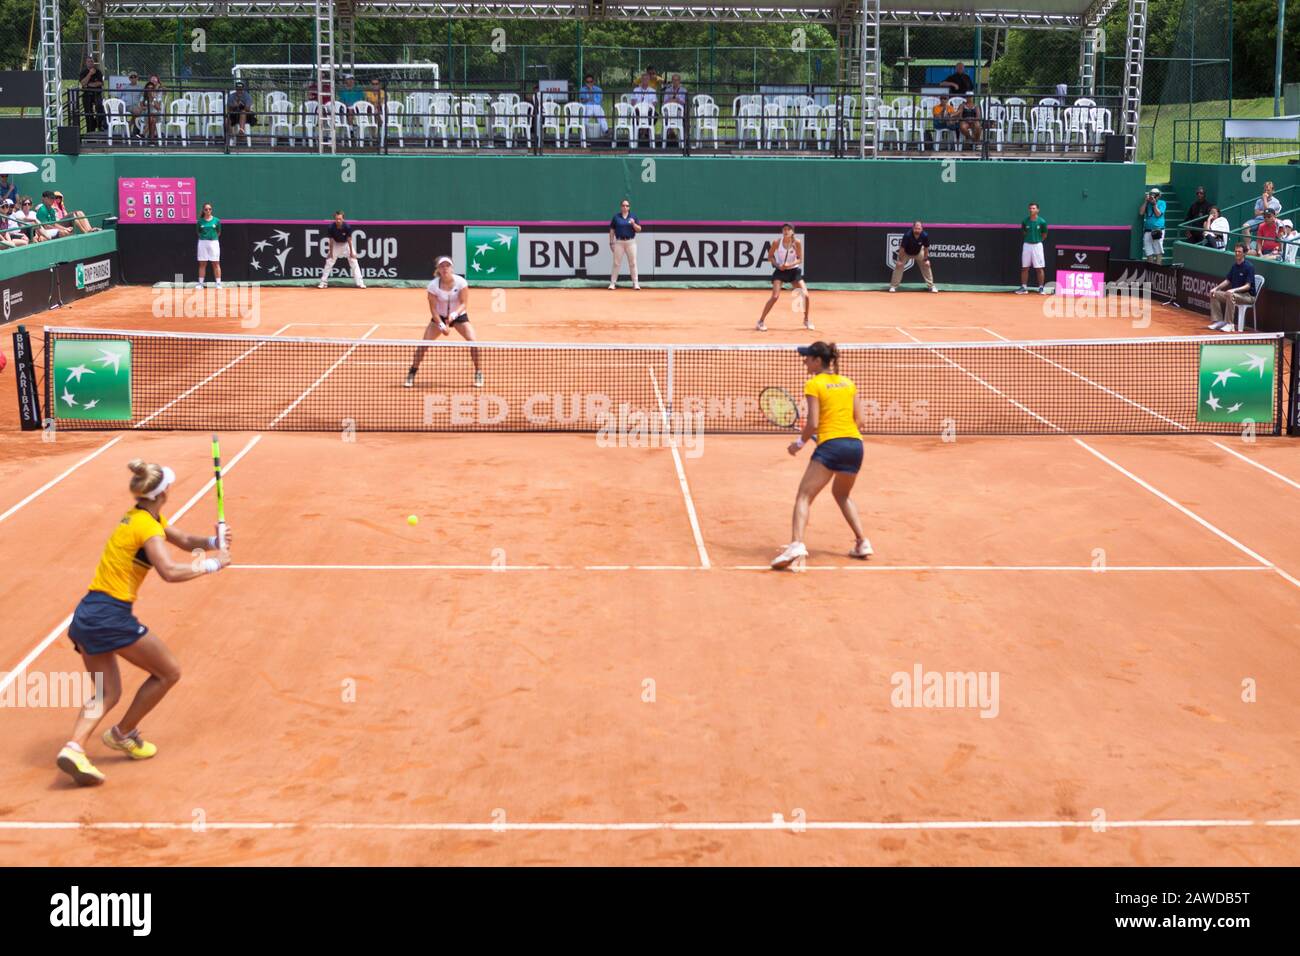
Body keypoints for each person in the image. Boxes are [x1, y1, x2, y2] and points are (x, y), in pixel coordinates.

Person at [55, 458, 232, 786]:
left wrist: (211, 542)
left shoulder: (140, 517)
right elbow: (169, 571)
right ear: (165, 491)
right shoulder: (147, 526)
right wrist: (213, 565)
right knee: (168, 672)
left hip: (87, 614)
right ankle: (122, 734)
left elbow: (179, 538)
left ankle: (74, 747)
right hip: (111, 616)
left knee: (106, 693)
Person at [770, 341, 872, 570]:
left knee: (803, 496)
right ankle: (862, 542)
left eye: (807, 357)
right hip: (855, 447)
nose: (804, 360)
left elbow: (813, 423)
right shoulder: (848, 383)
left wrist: (799, 443)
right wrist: (834, 435)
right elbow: (860, 421)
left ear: (818, 361)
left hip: (831, 447)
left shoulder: (814, 384)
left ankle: (796, 543)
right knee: (842, 494)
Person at [404, 256, 484, 389]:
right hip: (439, 317)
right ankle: (412, 372)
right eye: (442, 266)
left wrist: (454, 314)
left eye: (447, 266)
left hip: (459, 316)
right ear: (438, 269)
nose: (445, 268)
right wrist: (441, 325)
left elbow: (464, 304)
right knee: (423, 346)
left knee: (473, 342)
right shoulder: (433, 286)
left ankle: (478, 372)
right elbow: (433, 309)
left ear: (451, 268)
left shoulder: (461, 282)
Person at [756, 223, 813, 332]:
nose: (786, 231)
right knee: (775, 297)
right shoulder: (777, 242)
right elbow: (770, 256)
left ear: (792, 232)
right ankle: (760, 321)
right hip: (780, 272)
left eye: (788, 229)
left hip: (794, 271)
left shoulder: (797, 243)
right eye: (784, 229)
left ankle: (806, 320)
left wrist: (789, 265)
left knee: (805, 295)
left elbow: (800, 259)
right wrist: (778, 265)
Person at [1207, 244, 1257, 332]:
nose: (1237, 253)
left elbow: (1248, 286)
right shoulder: (1234, 266)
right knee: (1214, 294)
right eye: (1236, 251)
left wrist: (1233, 290)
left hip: (1248, 296)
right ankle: (1218, 321)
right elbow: (1227, 281)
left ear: (1244, 253)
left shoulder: (1249, 267)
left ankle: (1230, 324)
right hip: (1235, 294)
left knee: (1230, 294)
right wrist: (1216, 288)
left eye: (1239, 252)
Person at [318, 210, 366, 289]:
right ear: (334, 219)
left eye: (340, 219)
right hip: (336, 245)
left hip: (346, 244)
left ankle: (360, 283)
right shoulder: (331, 227)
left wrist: (351, 252)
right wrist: (330, 252)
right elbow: (331, 240)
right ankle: (323, 283)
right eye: (336, 219)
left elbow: (349, 240)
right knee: (329, 261)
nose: (338, 220)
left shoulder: (347, 227)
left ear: (343, 219)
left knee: (354, 261)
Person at [888, 220, 938, 293]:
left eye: (919, 228)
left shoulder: (924, 235)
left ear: (922, 229)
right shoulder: (907, 235)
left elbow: (926, 248)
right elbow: (902, 249)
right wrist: (900, 260)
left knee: (926, 265)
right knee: (899, 266)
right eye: (916, 228)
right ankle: (893, 286)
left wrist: (926, 259)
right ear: (913, 228)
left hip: (918, 252)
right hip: (906, 253)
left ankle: (931, 286)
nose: (917, 230)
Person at [608, 198, 641, 290]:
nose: (625, 207)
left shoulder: (633, 216)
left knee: (633, 263)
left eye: (627, 205)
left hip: (631, 242)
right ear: (621, 207)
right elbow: (612, 230)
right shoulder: (616, 217)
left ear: (629, 207)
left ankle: (635, 283)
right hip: (619, 242)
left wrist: (634, 224)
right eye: (623, 205)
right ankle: (612, 283)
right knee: (616, 263)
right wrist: (611, 242)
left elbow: (639, 230)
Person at [1017, 201, 1049, 294]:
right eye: (1030, 208)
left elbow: (1044, 235)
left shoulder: (1042, 222)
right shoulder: (1025, 221)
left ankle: (1041, 288)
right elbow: (1023, 233)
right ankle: (1024, 287)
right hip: (1027, 245)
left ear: (1038, 210)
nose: (1031, 210)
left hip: (1037, 246)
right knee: (1025, 267)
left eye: (1034, 208)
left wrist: (1037, 241)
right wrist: (1029, 239)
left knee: (1039, 268)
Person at [196, 202, 222, 289]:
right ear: (203, 210)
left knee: (216, 263)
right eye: (206, 209)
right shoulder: (200, 221)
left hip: (214, 243)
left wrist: (212, 238)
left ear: (211, 210)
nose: (208, 211)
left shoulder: (216, 220)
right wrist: (205, 238)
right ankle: (200, 284)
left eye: (210, 209)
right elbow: (198, 232)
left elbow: (219, 232)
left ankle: (218, 283)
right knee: (202, 263)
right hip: (202, 243)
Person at [79, 56, 105, 133]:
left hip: (97, 94)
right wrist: (90, 74)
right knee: (88, 112)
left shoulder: (98, 72)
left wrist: (88, 85)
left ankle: (99, 125)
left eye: (91, 61)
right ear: (86, 63)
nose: (90, 63)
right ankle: (90, 130)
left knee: (100, 107)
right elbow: (83, 83)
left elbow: (100, 83)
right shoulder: (83, 72)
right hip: (87, 94)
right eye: (88, 61)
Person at [1140, 187, 1166, 263]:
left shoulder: (1162, 203)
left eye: (1155, 195)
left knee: (1158, 252)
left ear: (1159, 196)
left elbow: (1158, 214)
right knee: (1149, 252)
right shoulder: (1147, 203)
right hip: (1148, 230)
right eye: (1152, 194)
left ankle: (1157, 270)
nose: (1153, 197)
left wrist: (1154, 204)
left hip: (1158, 230)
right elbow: (1141, 213)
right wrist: (1145, 201)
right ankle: (1150, 270)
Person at [578, 74, 608, 138]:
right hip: (586, 106)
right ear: (585, 82)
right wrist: (590, 95)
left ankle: (605, 131)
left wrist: (591, 93)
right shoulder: (582, 90)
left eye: (591, 81)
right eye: (587, 82)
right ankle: (583, 131)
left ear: (593, 82)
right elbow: (582, 101)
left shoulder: (598, 89)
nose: (589, 83)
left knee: (600, 112)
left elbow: (598, 101)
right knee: (586, 113)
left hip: (596, 106)